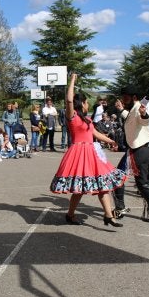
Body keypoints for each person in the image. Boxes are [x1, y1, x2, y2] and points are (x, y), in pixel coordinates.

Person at [50, 74, 126, 227]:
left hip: (91, 154)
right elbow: (69, 100)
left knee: (102, 183)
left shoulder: (88, 119)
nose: (87, 105)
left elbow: (95, 134)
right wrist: (72, 80)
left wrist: (112, 141)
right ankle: (70, 215)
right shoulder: (71, 116)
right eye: (86, 102)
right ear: (82, 103)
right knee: (79, 189)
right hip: (78, 154)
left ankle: (108, 216)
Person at [113, 85, 149, 221]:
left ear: (134, 97)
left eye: (126, 97)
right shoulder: (132, 109)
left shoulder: (139, 107)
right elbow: (132, 120)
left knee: (135, 181)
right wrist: (121, 110)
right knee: (131, 180)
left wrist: (145, 113)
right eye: (123, 97)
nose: (123, 100)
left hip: (139, 151)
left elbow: (144, 120)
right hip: (136, 150)